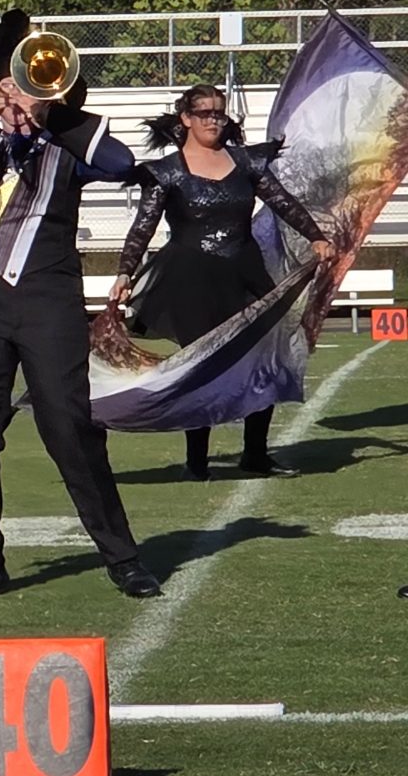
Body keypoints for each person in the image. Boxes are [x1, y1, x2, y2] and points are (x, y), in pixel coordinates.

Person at [0, 10, 161, 601]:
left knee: (68, 427)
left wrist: (49, 114)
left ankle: (123, 557)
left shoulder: (67, 144)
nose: (16, 96)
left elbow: (122, 164)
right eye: (10, 84)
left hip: (49, 302)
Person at [110, 84, 334, 480]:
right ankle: (197, 462)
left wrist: (316, 236)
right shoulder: (167, 172)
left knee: (262, 358)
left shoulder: (246, 163)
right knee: (202, 366)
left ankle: (256, 454)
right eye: (205, 113)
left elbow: (282, 201)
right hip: (191, 280)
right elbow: (142, 226)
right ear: (186, 119)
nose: (213, 120)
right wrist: (125, 271)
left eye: (219, 113)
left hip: (245, 271)